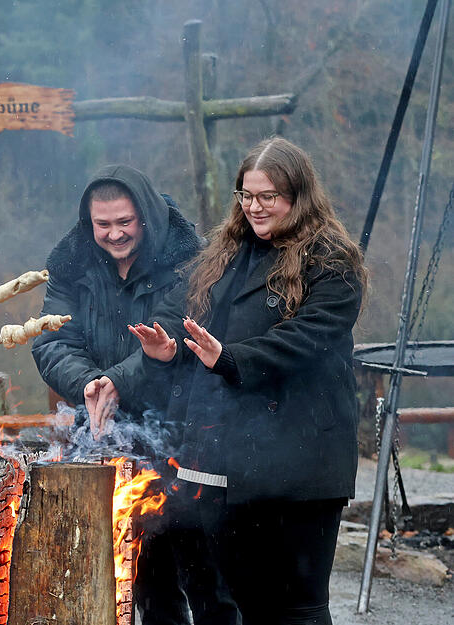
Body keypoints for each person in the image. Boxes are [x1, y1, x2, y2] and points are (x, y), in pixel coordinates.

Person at [129, 137, 367, 625]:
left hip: (304, 463)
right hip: (236, 462)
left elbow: (307, 339)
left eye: (268, 197)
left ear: (298, 195)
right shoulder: (227, 252)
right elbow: (184, 311)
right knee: (249, 603)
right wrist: (169, 345)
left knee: (298, 609)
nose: (255, 208)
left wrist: (230, 358)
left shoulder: (333, 260)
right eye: (247, 196)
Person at [31, 164, 218, 625]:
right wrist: (89, 384)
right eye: (103, 224)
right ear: (88, 223)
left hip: (181, 432)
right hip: (104, 433)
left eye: (124, 222)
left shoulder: (187, 261)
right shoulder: (73, 264)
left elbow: (171, 332)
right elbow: (52, 339)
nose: (114, 234)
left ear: (146, 217)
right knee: (128, 575)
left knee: (200, 575)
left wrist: (115, 380)